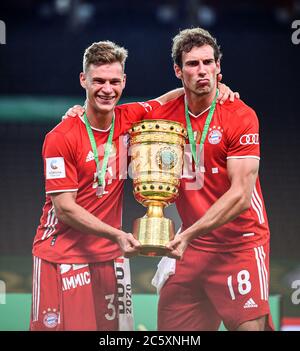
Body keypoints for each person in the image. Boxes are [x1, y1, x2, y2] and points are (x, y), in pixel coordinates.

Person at [30, 40, 193, 331]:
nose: (107, 89)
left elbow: (172, 98)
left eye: (114, 81)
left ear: (124, 81)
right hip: (62, 256)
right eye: (99, 81)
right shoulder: (61, 136)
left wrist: (220, 90)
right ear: (84, 80)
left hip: (109, 257)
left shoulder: (131, 118)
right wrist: (116, 235)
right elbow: (65, 209)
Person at [148, 27, 274, 331]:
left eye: (208, 62)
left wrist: (188, 235)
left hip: (239, 246)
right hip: (192, 249)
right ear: (178, 71)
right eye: (192, 64)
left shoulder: (240, 115)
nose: (202, 70)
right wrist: (80, 111)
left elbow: (241, 196)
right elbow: (116, 115)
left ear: (219, 67)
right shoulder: (165, 112)